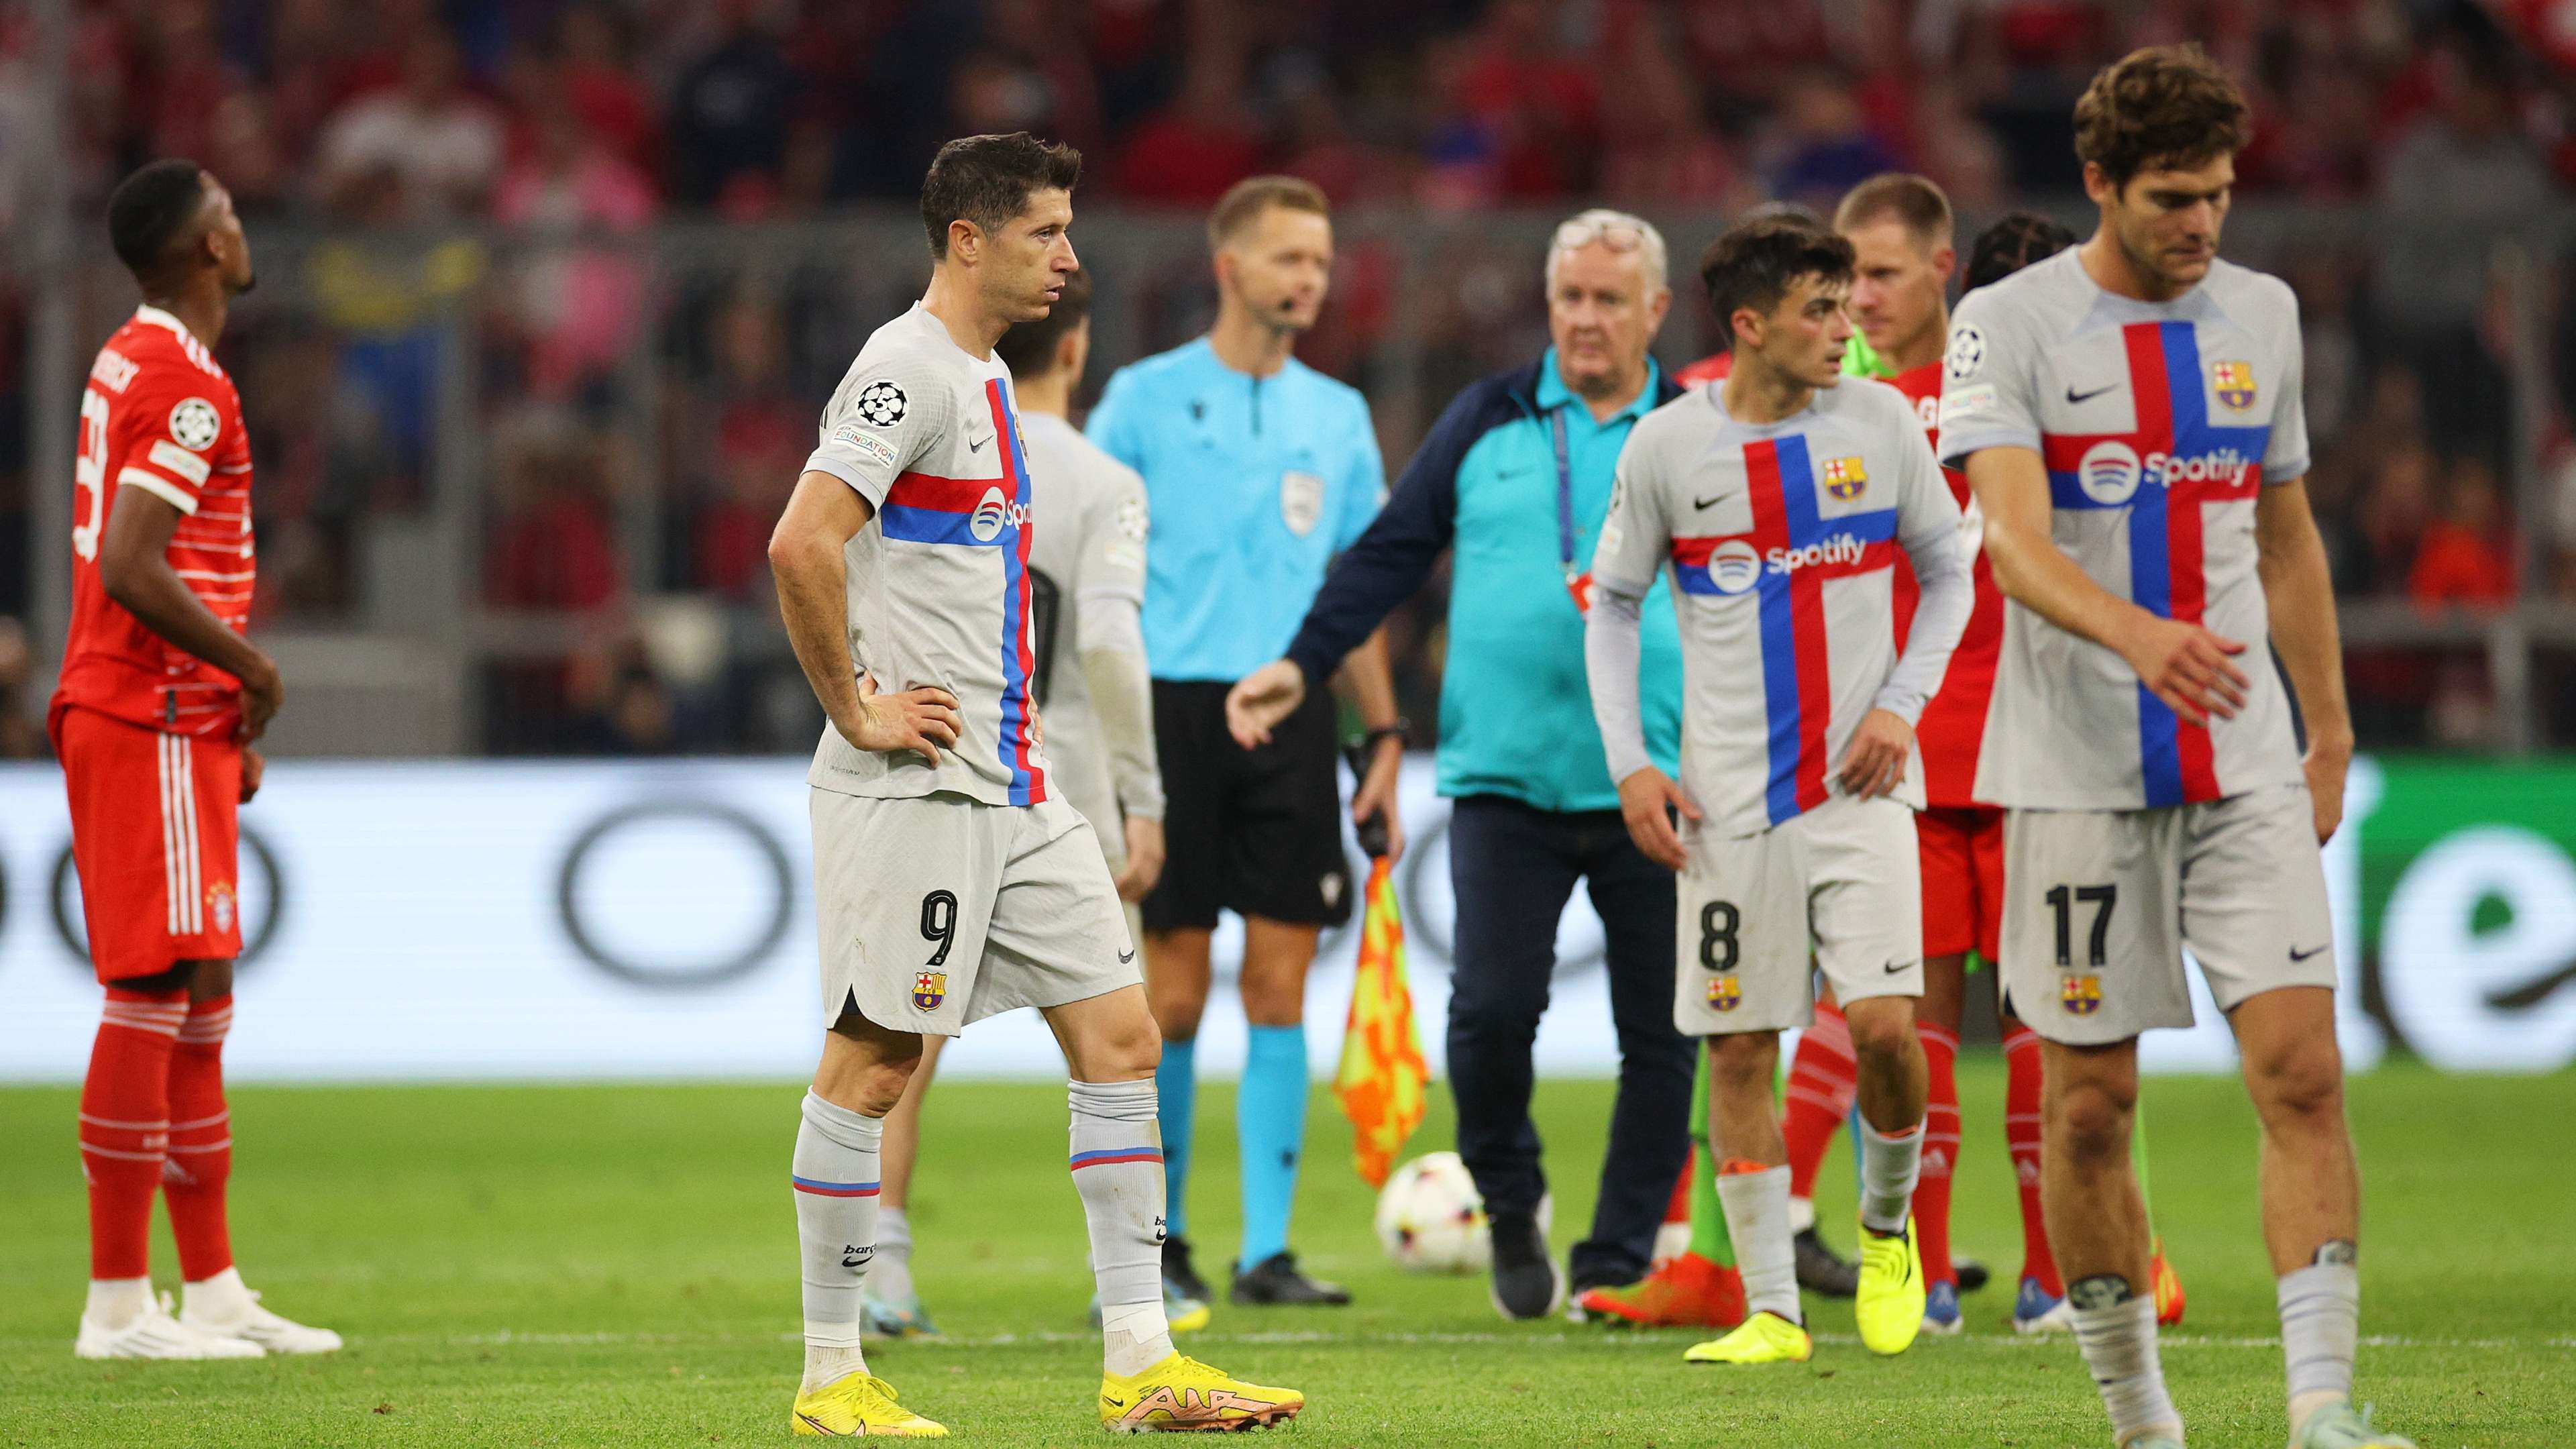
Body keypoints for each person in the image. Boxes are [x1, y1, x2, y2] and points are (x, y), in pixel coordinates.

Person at [765, 131, 1296, 1435]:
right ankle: (831, 1376)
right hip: (918, 791)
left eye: (1068, 228)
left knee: (1122, 1039)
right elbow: (801, 542)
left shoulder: (990, 379)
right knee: (876, 1060)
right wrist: (857, 705)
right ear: (968, 240)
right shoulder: (905, 370)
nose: (1071, 254)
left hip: (1020, 786)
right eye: (1047, 231)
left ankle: (1141, 1361)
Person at [1943, 46, 2410, 1449]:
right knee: (2090, 1109)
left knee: (2305, 1073)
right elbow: (2014, 546)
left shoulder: (2262, 314)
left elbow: (2284, 535)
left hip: (2245, 766)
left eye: (2215, 195)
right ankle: (2144, 1421)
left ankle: (2321, 1411)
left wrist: (2325, 728)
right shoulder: (2009, 324)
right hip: (2078, 778)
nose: (2200, 224)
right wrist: (2143, 637)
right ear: (2099, 185)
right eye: (2169, 198)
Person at [1226, 209, 1711, 1322]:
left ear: (1653, 310)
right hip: (1503, 779)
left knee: (1663, 1033)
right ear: (1550, 305)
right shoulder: (1486, 417)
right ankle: (1510, 1197)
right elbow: (1391, 550)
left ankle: (1615, 1257)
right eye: (1569, 298)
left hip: (1661, 775)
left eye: (1607, 300)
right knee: (1489, 1013)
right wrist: (1304, 666)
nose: (1585, 320)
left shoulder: (1695, 428)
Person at [1585, 214, 1972, 1368]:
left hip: (1859, 792)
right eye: (1819, 308)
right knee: (1742, 1050)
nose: (1844, 327)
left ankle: (1888, 1229)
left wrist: (1902, 706)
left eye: (1848, 303)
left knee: (1886, 1031)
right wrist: (1632, 765)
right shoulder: (1666, 447)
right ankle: (1772, 1310)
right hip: (1725, 805)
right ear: (1750, 326)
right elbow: (1610, 606)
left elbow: (1950, 569)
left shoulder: (1882, 422)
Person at [859, 266, 1211, 1342]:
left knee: (898, 1040)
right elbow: (1108, 642)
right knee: (1109, 1036)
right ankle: (1129, 1285)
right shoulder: (1104, 480)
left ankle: (885, 1266)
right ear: (1077, 350)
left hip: (939, 762)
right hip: (1066, 781)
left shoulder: (946, 437)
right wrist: (1142, 799)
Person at [1087, 175, 1401, 1309]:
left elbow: (1351, 592)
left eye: (1318, 261)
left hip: (1292, 711)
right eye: (1288, 259)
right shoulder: (1140, 400)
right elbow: (1081, 559)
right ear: (1230, 268)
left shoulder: (1338, 416)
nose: (1308, 279)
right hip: (1170, 712)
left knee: (1278, 985)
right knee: (1169, 999)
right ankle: (1156, 1247)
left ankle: (1266, 1253)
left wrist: (1382, 734)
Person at [56, 159, 339, 1362]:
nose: (243, 222)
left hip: (176, 717)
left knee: (205, 991)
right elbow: (130, 562)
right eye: (230, 213)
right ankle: (119, 1304)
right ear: (208, 251)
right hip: (149, 710)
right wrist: (253, 671)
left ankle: (211, 1287)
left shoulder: (145, 354)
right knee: (156, 992)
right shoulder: (179, 381)